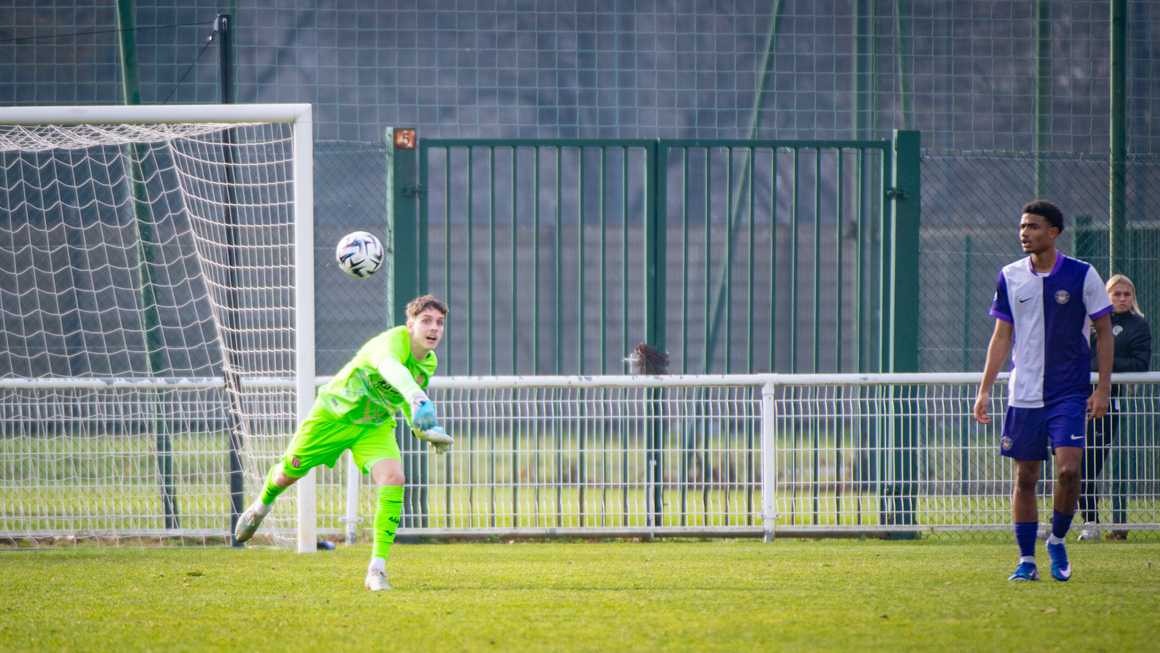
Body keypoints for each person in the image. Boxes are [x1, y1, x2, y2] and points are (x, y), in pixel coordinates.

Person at [234, 295, 454, 592]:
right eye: (426, 321)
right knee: (289, 473)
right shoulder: (392, 342)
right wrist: (418, 397)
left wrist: (423, 430)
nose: (434, 328)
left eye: (439, 323)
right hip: (333, 416)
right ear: (410, 325)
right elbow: (392, 369)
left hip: (373, 427)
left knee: (394, 477)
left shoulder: (428, 361)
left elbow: (404, 398)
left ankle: (376, 570)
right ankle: (260, 506)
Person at [973, 200, 1114, 583]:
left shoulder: (1082, 275)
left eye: (1033, 227)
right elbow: (1001, 336)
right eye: (1022, 227)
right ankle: (1026, 560)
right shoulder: (1010, 275)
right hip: (1022, 394)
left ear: (1053, 232)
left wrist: (1102, 387)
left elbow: (1104, 332)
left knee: (1069, 471)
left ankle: (1056, 539)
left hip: (1068, 392)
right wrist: (985, 389)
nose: (1024, 233)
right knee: (1025, 478)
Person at [1078, 274, 1151, 540]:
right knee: (1067, 464)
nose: (1122, 299)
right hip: (1073, 400)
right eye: (1116, 294)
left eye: (1126, 294)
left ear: (1133, 298)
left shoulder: (1137, 325)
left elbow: (1140, 364)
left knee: (1089, 465)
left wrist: (1102, 367)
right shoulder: (1091, 323)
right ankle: (1060, 521)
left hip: (1106, 404)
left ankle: (1090, 523)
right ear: (1106, 296)